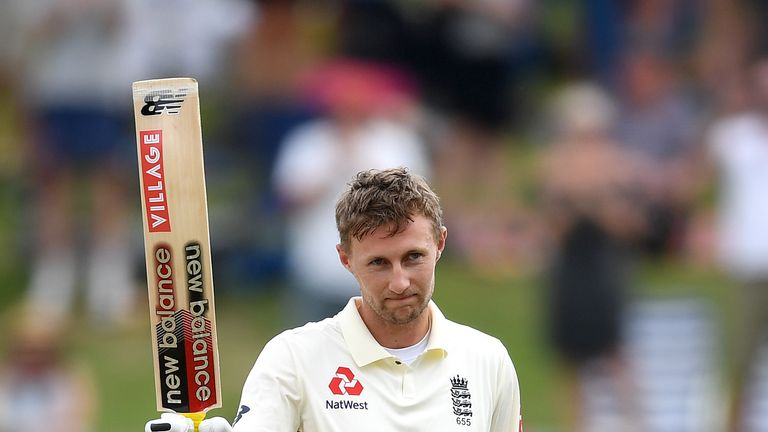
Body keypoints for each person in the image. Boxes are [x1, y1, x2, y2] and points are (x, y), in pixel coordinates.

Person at [145, 167, 522, 431]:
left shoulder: (487, 359)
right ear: (346, 259)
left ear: (439, 243)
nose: (399, 282)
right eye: (378, 263)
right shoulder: (292, 358)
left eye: (413, 257)